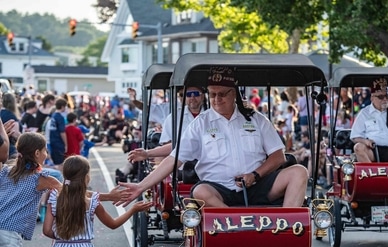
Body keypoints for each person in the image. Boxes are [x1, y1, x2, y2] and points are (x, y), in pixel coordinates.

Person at [119, 66, 308, 208]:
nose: (216, 99)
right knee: (200, 191)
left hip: (257, 185)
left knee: (299, 172)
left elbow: (278, 157)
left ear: (234, 94)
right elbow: (173, 160)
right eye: (212, 94)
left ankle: (288, 228)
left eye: (222, 94)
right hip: (219, 190)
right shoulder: (201, 123)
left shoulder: (256, 119)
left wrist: (254, 175)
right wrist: (141, 187)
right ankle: (235, 225)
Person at [0, 132, 127, 247]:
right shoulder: (42, 179)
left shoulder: (5, 171)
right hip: (10, 233)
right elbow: (73, 192)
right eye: (44, 150)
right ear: (37, 153)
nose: (47, 154)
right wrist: (108, 196)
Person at [124, 86, 206, 181]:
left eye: (195, 94)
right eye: (187, 94)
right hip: (182, 169)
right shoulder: (173, 117)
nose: (192, 97)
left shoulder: (211, 116)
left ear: (202, 96)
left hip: (209, 167)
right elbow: (170, 146)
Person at [48, 98, 68, 168]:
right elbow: (62, 132)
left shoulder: (53, 115)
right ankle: (61, 178)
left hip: (52, 141)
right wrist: (66, 144)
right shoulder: (60, 117)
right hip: (58, 142)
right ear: (62, 106)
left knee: (56, 162)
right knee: (60, 163)